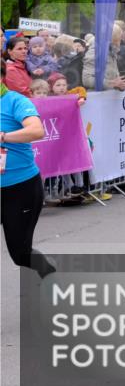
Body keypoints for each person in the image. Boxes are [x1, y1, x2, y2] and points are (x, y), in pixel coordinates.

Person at [1, 60, 56, 277]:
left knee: (21, 254)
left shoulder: (15, 101)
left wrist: (4, 136)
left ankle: (49, 272)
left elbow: (36, 131)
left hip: (19, 189)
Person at [82, 24, 125, 92]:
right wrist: (112, 83)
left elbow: (112, 76)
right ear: (113, 38)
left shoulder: (111, 51)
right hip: (97, 99)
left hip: (109, 98)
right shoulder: (94, 52)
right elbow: (87, 80)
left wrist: (121, 85)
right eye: (119, 37)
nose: (121, 40)